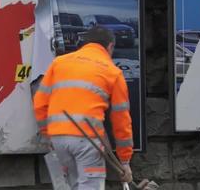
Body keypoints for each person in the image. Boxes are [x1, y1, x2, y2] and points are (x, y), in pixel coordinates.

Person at [33, 26, 133, 189]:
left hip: (59, 139)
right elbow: (121, 121)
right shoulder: (113, 72)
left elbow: (40, 103)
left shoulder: (59, 63)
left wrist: (47, 136)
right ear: (110, 47)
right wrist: (125, 160)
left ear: (85, 44)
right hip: (88, 141)